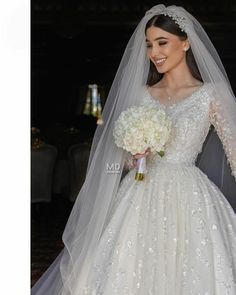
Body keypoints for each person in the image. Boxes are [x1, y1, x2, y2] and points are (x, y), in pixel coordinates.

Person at [32, 4, 236, 294]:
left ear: (186, 43)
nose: (154, 52)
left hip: (189, 198)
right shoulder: (142, 94)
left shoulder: (210, 96)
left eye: (162, 42)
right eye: (149, 44)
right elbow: (123, 159)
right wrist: (135, 156)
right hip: (139, 193)